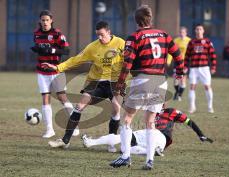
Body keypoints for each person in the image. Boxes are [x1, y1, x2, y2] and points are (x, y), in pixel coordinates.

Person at [110, 5, 184, 170]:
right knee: (150, 122)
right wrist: (179, 73)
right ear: (150, 19)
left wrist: (120, 84)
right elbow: (178, 55)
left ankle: (125, 156)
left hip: (142, 80)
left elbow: (127, 63)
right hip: (160, 82)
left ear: (136, 21)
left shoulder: (135, 37)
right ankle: (149, 160)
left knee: (128, 119)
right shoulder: (164, 35)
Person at [41, 21, 125, 152]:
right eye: (97, 35)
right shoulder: (92, 47)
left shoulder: (121, 43)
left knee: (116, 108)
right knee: (79, 105)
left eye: (102, 35)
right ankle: (65, 140)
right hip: (96, 82)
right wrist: (58, 67)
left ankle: (111, 142)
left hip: (116, 82)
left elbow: (131, 59)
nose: (99, 38)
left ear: (109, 32)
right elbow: (76, 59)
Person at [82, 107, 213, 156]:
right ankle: (153, 151)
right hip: (154, 137)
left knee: (123, 140)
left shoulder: (170, 111)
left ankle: (91, 142)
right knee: (124, 147)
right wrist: (200, 134)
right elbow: (189, 122)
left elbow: (188, 121)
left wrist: (200, 133)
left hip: (159, 136)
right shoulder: (151, 112)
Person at [30, 10, 79, 138]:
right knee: (45, 99)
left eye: (47, 20)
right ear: (40, 21)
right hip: (42, 71)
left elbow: (67, 51)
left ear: (51, 20)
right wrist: (37, 49)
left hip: (56, 70)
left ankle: (75, 126)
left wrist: (50, 50)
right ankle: (49, 130)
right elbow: (38, 48)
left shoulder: (57, 34)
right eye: (43, 20)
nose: (45, 22)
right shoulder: (36, 34)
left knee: (62, 98)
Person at [184, 24, 217, 114]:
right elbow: (187, 56)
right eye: (197, 29)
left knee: (207, 86)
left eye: (200, 29)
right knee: (192, 87)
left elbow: (213, 55)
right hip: (194, 69)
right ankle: (192, 107)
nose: (198, 31)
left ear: (203, 31)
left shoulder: (207, 42)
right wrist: (185, 66)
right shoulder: (191, 42)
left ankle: (210, 107)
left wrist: (213, 67)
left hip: (204, 68)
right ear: (195, 31)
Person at [168, 27, 191, 101]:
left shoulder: (189, 41)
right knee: (175, 80)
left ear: (186, 33)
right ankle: (177, 93)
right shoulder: (176, 40)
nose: (181, 34)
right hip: (177, 62)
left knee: (183, 80)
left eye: (183, 32)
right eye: (180, 32)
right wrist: (169, 60)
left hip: (185, 63)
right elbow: (171, 51)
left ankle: (179, 95)